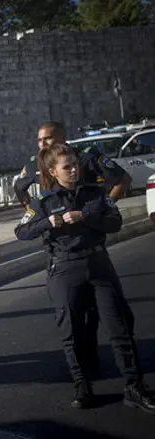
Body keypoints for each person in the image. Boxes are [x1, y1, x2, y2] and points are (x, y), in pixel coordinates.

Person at [14, 144, 155, 413]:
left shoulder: (95, 193)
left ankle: (134, 386)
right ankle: (82, 385)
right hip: (65, 268)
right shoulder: (43, 202)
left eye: (75, 164)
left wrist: (85, 216)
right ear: (53, 171)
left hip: (98, 263)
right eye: (67, 167)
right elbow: (21, 231)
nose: (75, 169)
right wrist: (49, 223)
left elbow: (114, 222)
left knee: (120, 327)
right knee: (72, 333)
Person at [14, 121, 133, 376]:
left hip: (91, 242)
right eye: (39, 140)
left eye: (47, 139)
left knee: (116, 317)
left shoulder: (87, 158)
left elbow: (122, 179)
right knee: (77, 318)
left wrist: (103, 207)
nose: (42, 144)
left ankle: (127, 376)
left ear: (62, 138)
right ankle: (86, 368)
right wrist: (38, 215)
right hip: (63, 252)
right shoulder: (34, 165)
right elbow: (20, 190)